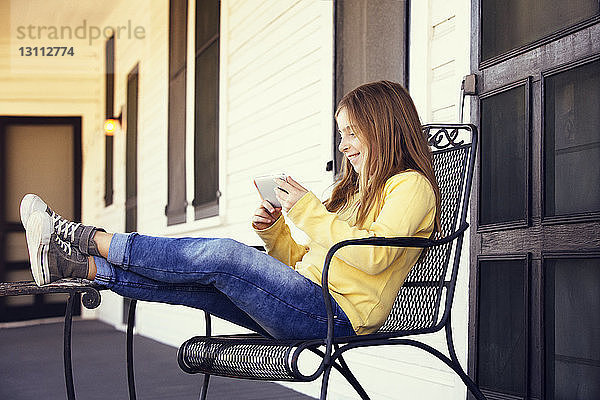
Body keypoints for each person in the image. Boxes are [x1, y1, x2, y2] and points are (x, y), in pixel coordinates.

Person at [20, 80, 440, 340]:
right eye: (342, 134)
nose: (344, 145)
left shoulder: (411, 187)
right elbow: (309, 261)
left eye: (352, 132)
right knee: (203, 282)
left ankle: (79, 235)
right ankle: (74, 267)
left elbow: (373, 256)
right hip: (304, 301)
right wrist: (276, 233)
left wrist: (310, 210)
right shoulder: (351, 192)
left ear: (382, 126)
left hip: (336, 316)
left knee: (224, 255)